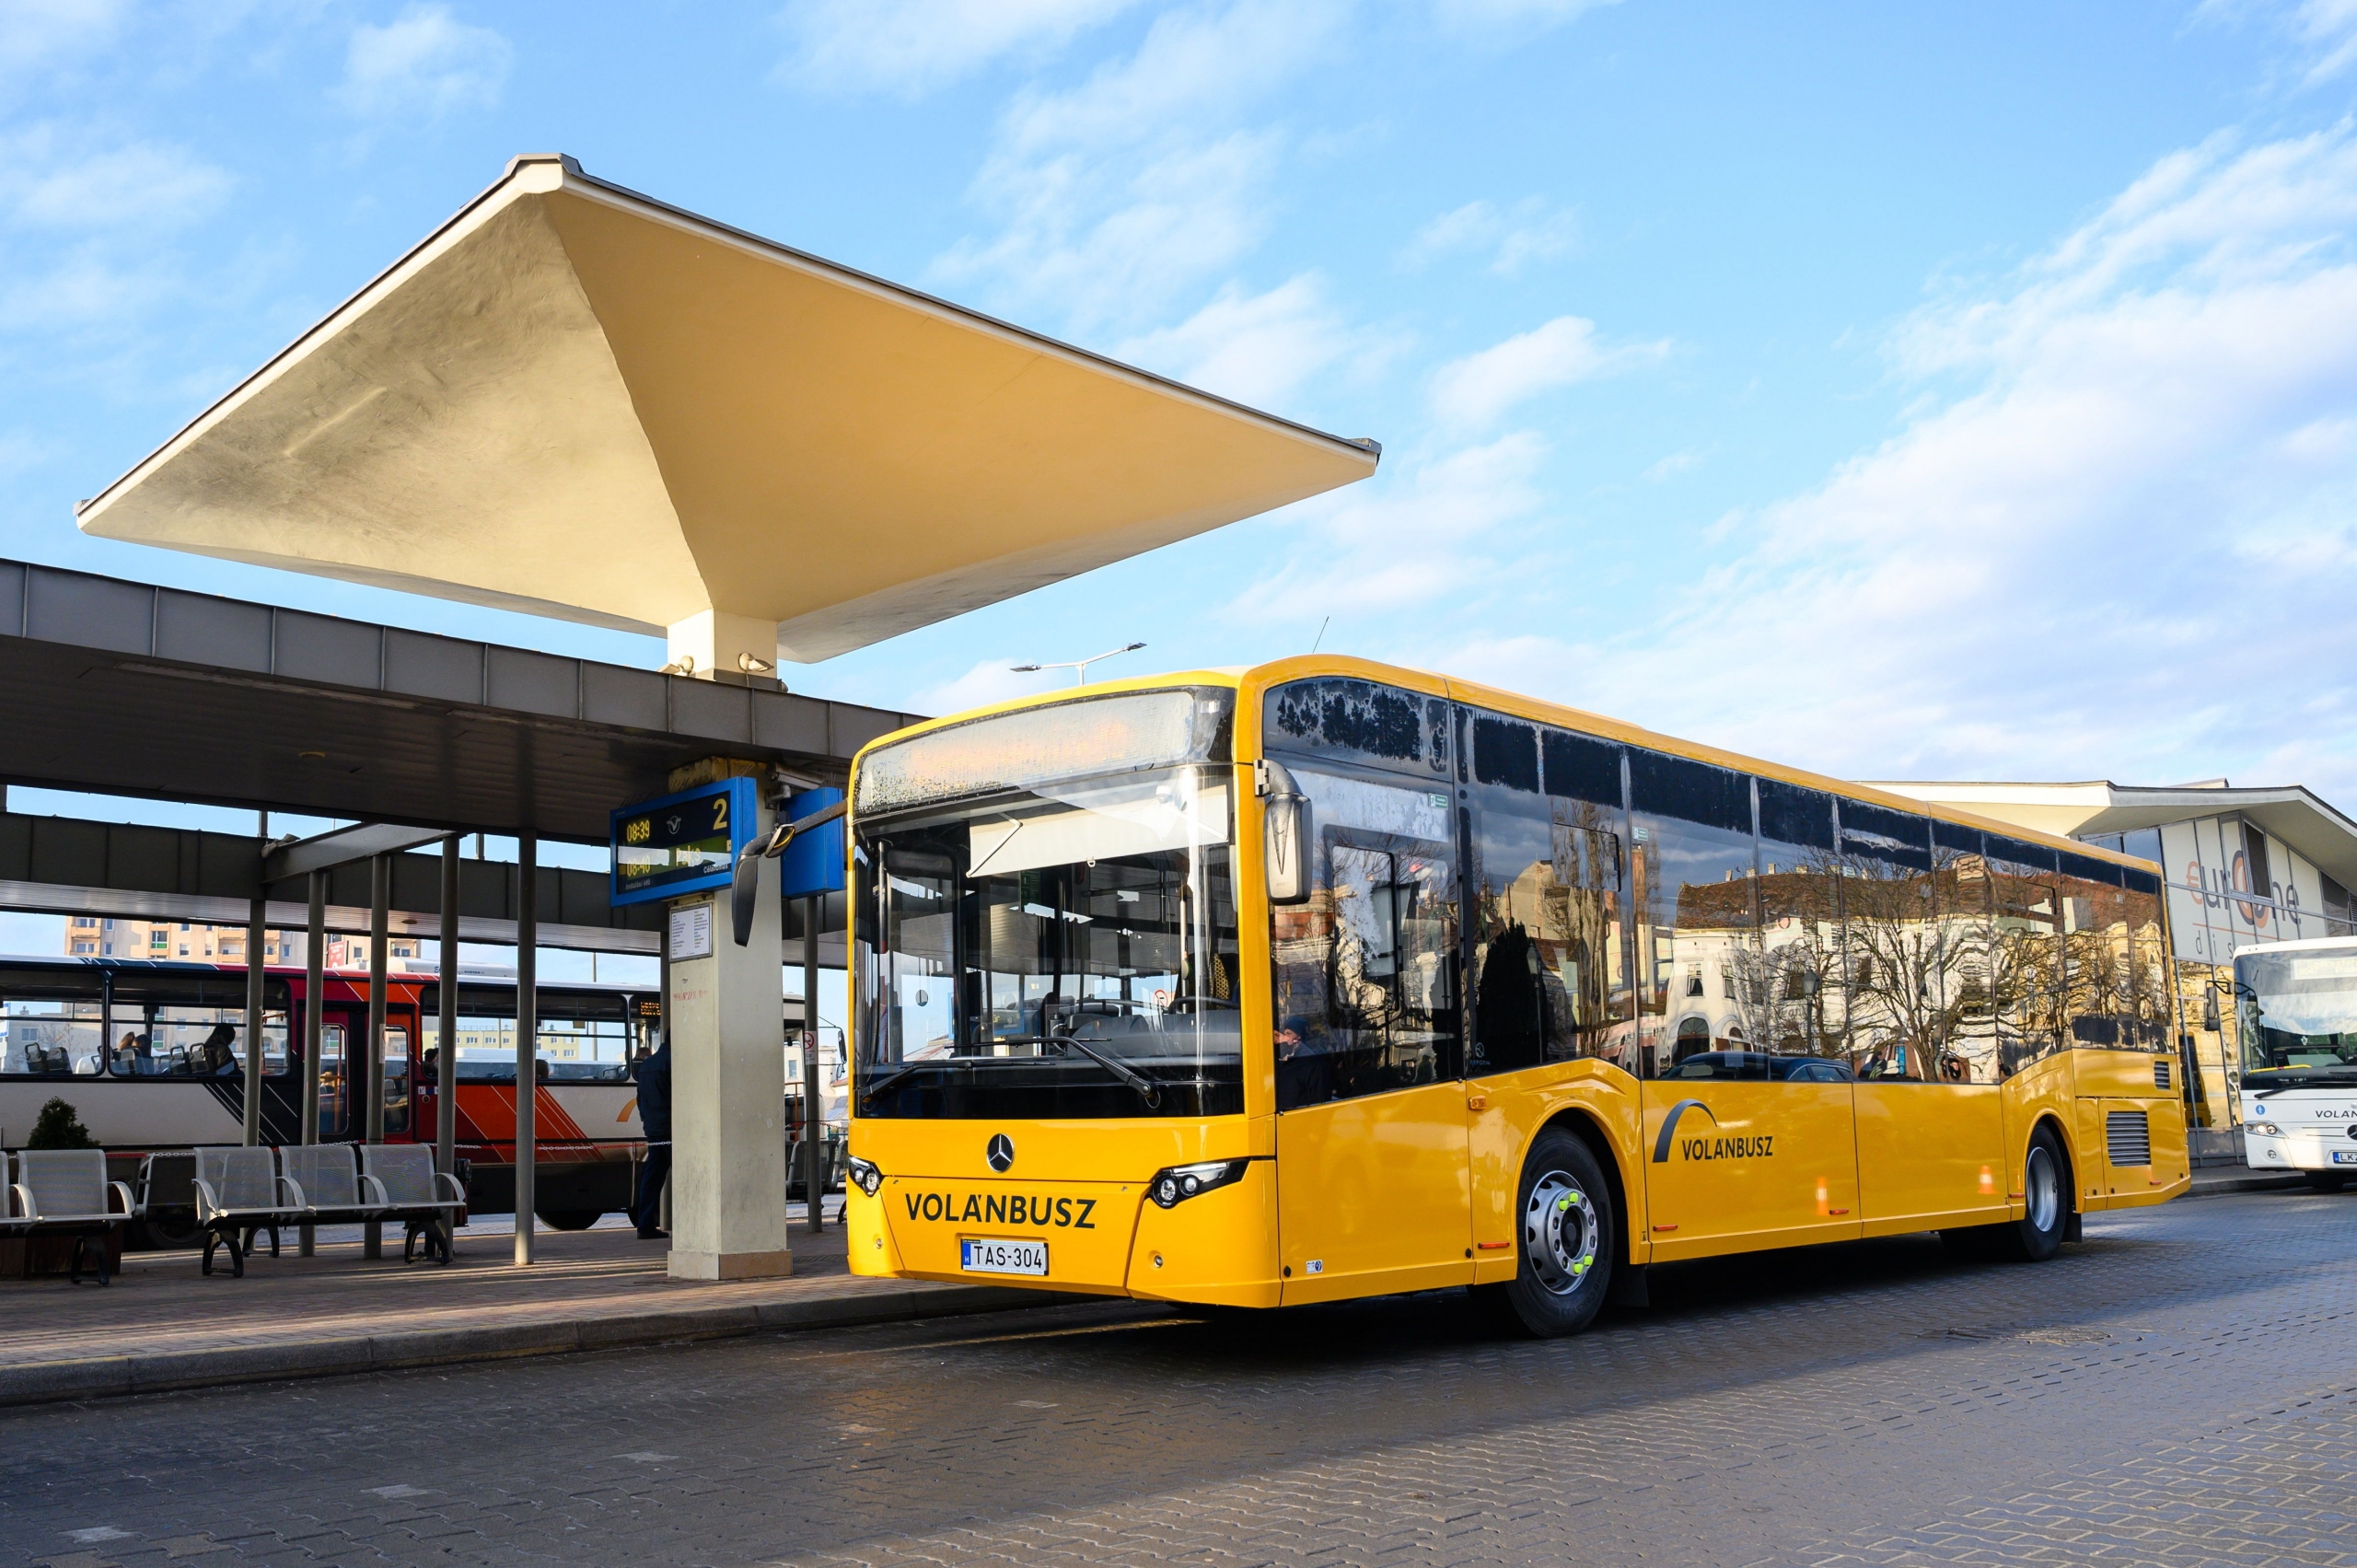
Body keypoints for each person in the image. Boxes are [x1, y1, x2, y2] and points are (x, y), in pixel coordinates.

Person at [630, 1037, 672, 1240]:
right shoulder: (674, 1061)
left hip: (654, 1129)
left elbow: (640, 1099)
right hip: (673, 1129)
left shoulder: (647, 1064)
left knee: (652, 1178)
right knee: (687, 1175)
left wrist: (648, 1121)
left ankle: (645, 1225)